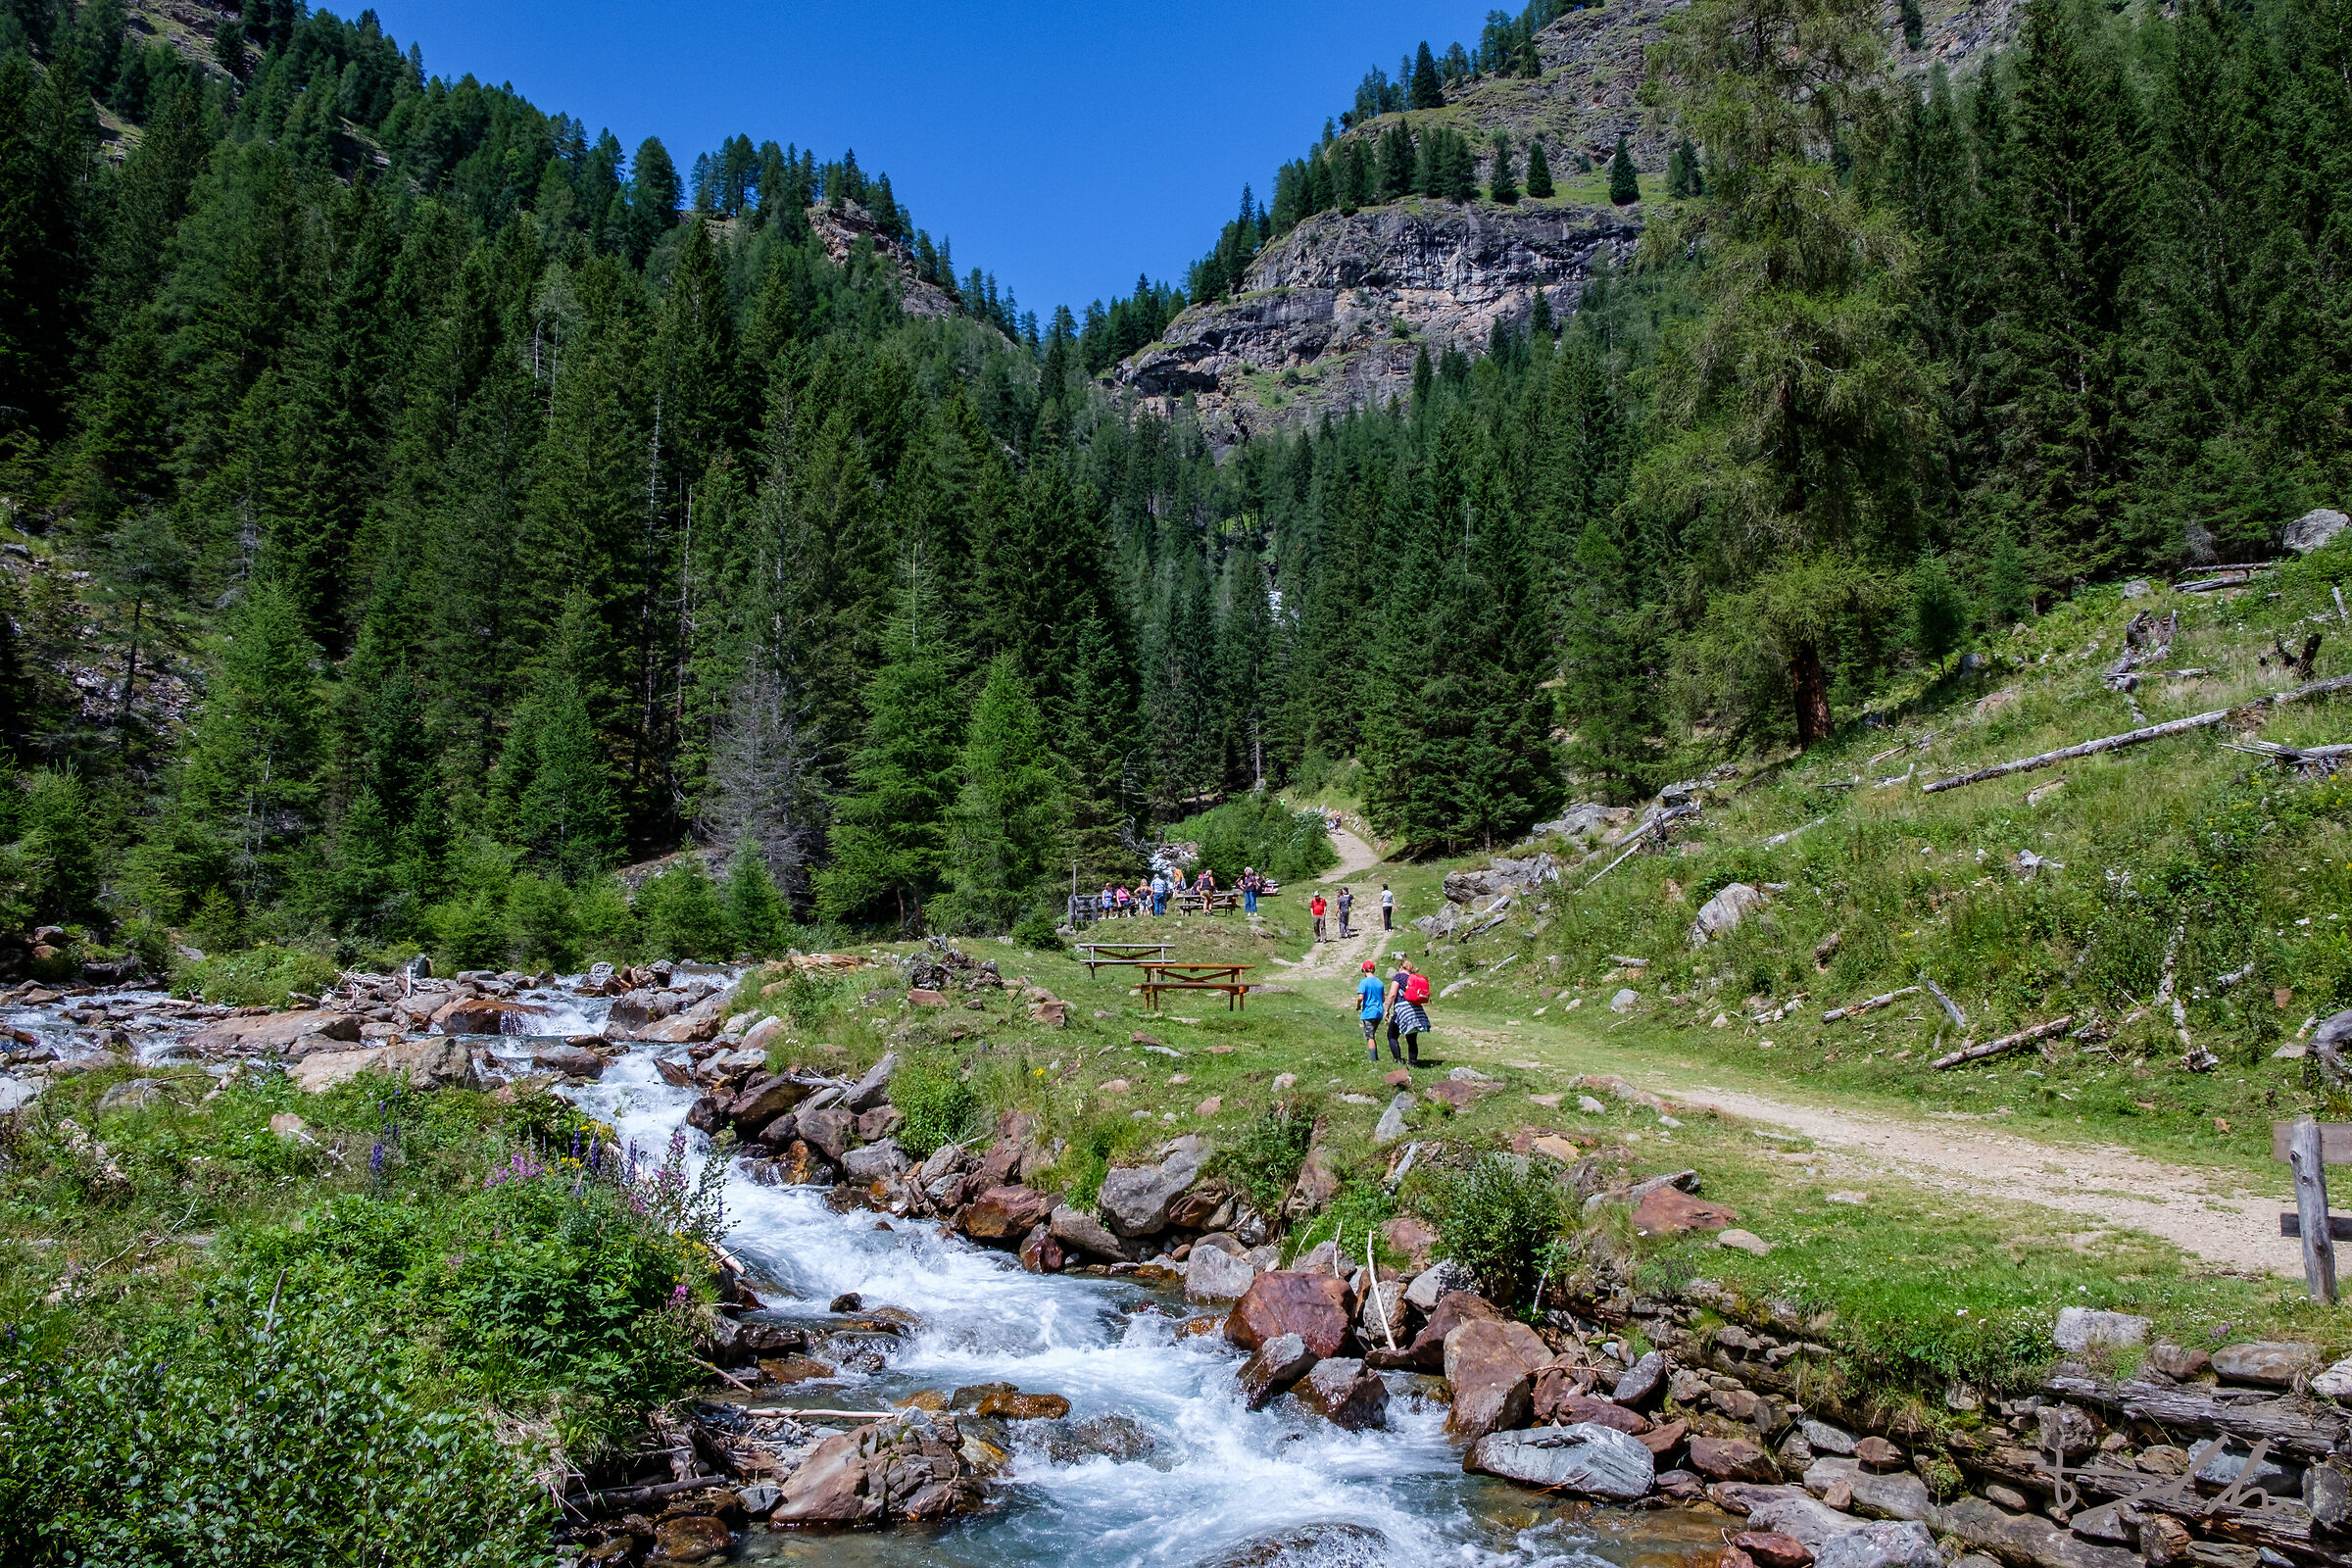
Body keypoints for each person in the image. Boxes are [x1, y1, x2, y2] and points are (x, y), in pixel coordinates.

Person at [1388, 957, 1431, 1067]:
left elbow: (1393, 994)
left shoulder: (1398, 976)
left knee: (1392, 1035)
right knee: (1412, 1039)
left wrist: (1387, 1009)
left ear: (1401, 967)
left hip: (1403, 1010)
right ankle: (1412, 1063)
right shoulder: (1414, 978)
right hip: (1416, 1010)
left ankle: (1397, 1060)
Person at [1357, 959, 1388, 1063]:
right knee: (1372, 1033)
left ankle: (1373, 1060)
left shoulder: (1364, 982)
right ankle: (1374, 1057)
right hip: (1379, 1012)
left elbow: (1360, 997)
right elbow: (1383, 999)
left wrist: (1358, 1006)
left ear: (1364, 970)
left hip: (1369, 1012)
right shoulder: (1379, 982)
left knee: (1370, 1036)